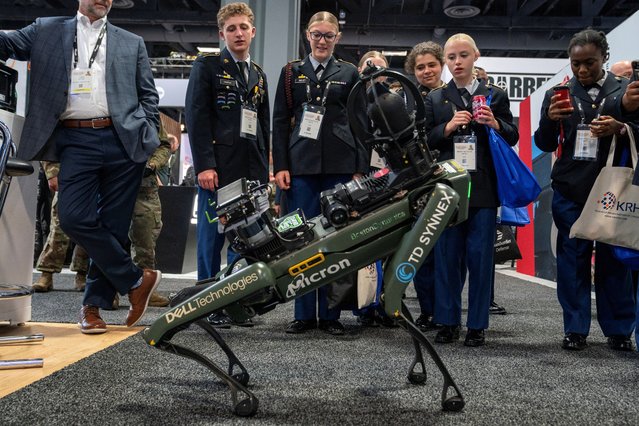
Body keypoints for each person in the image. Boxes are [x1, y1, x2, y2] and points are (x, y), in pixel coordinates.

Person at [0, 0, 162, 334]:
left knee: (114, 227)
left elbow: (148, 96)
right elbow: (7, 43)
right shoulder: (46, 30)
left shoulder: (132, 42)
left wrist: (144, 133)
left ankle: (92, 307)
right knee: (73, 217)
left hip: (123, 140)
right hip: (75, 140)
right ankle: (135, 280)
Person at [534, 29, 638, 351]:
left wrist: (621, 127)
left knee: (613, 261)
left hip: (613, 189)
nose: (581, 70)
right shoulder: (557, 93)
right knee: (572, 260)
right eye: (575, 63)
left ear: (604, 57)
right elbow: (544, 143)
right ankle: (575, 328)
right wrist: (550, 121)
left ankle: (619, 330)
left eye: (589, 63)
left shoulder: (626, 90)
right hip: (570, 188)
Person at [272, 11, 368, 336]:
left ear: (337, 37)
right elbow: (280, 122)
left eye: (329, 35)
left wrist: (360, 169)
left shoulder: (350, 72)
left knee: (335, 239)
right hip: (300, 166)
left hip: (340, 167)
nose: (322, 40)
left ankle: (330, 314)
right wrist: (281, 166)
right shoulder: (291, 73)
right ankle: (302, 313)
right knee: (301, 240)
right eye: (317, 34)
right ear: (307, 35)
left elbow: (361, 123)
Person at [425, 33, 519, 347]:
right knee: (447, 258)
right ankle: (448, 322)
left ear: (475, 55)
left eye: (463, 55)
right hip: (449, 189)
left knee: (481, 259)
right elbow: (425, 141)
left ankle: (477, 324)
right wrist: (448, 128)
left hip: (483, 189)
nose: (457, 62)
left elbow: (513, 135)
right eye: (451, 58)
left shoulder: (495, 95)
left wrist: (495, 123)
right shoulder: (436, 98)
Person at [185, 2, 269, 327]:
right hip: (217, 171)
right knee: (211, 240)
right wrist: (205, 165)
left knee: (245, 238)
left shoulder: (258, 73)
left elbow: (263, 127)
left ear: (252, 31)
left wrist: (265, 173)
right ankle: (206, 304)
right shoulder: (207, 66)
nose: (238, 33)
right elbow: (197, 116)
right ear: (222, 33)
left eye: (243, 27)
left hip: (250, 171)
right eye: (231, 28)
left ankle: (235, 301)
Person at [404, 41, 445, 331]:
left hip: (449, 179)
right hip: (418, 183)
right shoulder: (406, 100)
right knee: (422, 248)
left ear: (441, 64)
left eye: (431, 64)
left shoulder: (452, 95)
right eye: (420, 67)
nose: (426, 71)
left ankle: (448, 312)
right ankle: (428, 310)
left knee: (449, 252)